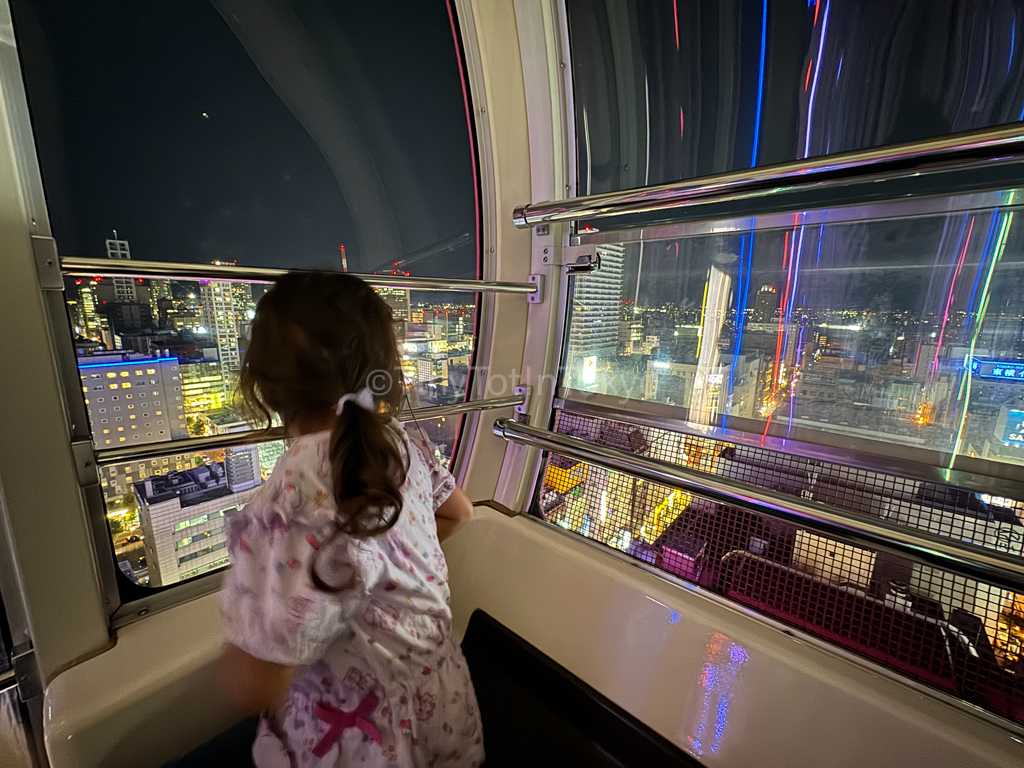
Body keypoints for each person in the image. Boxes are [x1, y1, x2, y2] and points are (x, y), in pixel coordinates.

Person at [218, 272, 483, 767]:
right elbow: (458, 512)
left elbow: (255, 681)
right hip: (447, 713)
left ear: (267, 386)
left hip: (367, 745)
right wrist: (376, 583)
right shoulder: (404, 440)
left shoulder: (294, 494)